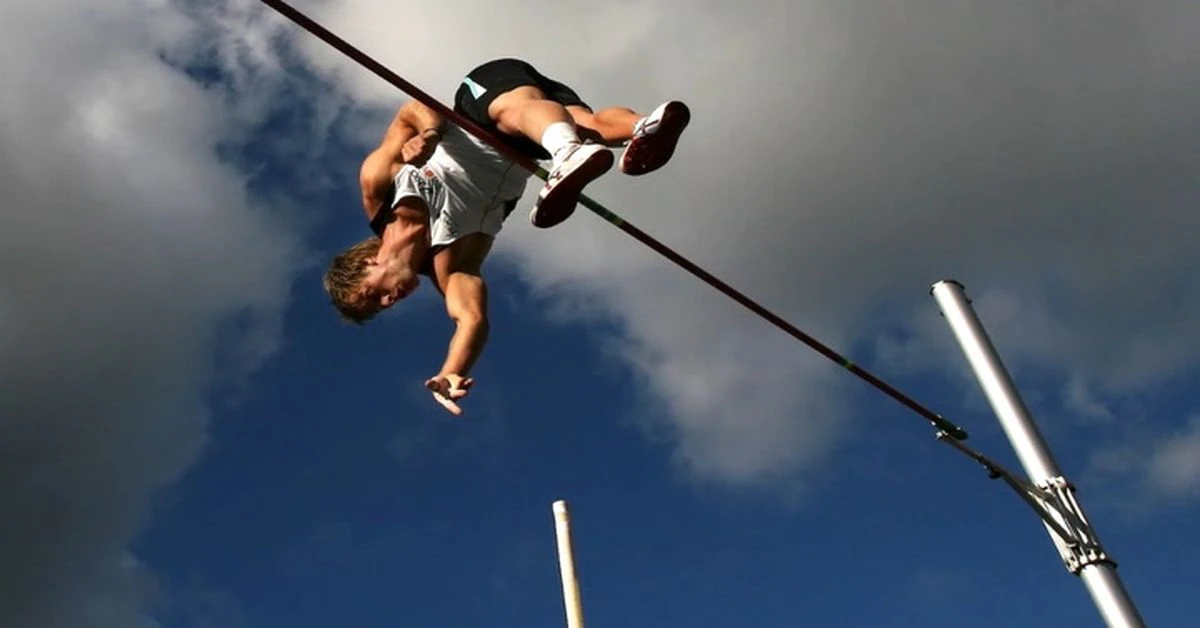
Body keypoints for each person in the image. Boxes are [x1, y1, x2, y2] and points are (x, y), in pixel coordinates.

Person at [322, 58, 689, 415]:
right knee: (591, 128)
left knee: (514, 113)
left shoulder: (379, 189)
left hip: (484, 107)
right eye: (382, 308)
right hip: (534, 137)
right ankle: (645, 125)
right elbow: (471, 320)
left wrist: (429, 134)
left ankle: (567, 153)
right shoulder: (451, 267)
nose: (389, 302)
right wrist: (452, 371)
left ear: (365, 263)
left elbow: (411, 110)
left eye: (373, 295)